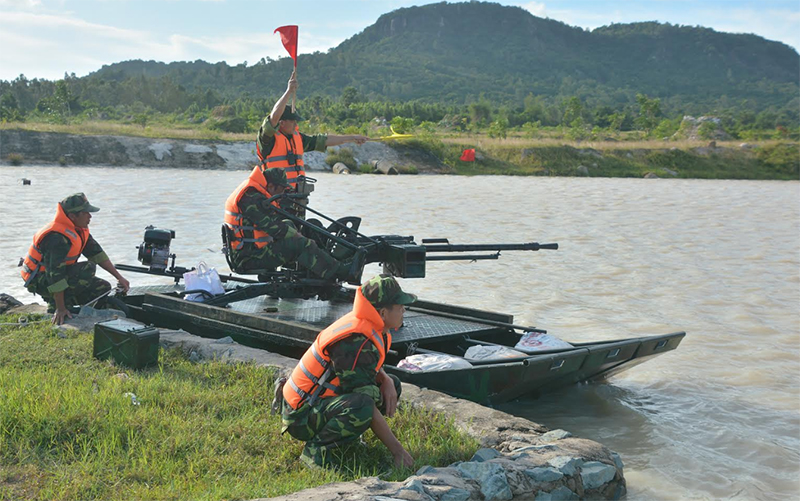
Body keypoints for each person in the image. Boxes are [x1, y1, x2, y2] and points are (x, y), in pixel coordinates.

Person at [279, 274, 416, 469]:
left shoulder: (369, 324)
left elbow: (368, 367)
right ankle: (316, 451)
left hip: (318, 404)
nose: (404, 310)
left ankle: (347, 437)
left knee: (392, 384)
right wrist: (398, 452)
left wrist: (385, 379)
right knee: (362, 405)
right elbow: (364, 400)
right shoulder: (355, 342)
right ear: (383, 313)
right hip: (300, 416)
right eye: (400, 306)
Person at [256, 70, 369, 214]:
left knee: (297, 233)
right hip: (275, 200)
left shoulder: (298, 139)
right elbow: (273, 117)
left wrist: (353, 138)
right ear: (282, 122)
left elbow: (325, 140)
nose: (296, 125)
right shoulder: (268, 139)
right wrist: (289, 91)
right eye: (293, 121)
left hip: (297, 199)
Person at [223, 166, 361, 281]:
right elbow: (274, 228)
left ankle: (320, 270)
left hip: (251, 252)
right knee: (299, 244)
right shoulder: (252, 198)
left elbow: (278, 222)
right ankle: (339, 273)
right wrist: (301, 239)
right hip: (247, 258)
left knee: (294, 225)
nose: (283, 193)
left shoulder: (254, 192)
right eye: (281, 189)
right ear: (271, 186)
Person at [20, 193, 130, 325]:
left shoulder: (78, 229)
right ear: (72, 216)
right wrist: (60, 308)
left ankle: (69, 303)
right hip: (40, 279)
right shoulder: (56, 238)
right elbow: (55, 275)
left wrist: (119, 277)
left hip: (55, 276)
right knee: (88, 268)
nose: (90, 216)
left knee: (102, 288)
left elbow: (98, 255)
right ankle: (57, 305)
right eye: (86, 213)